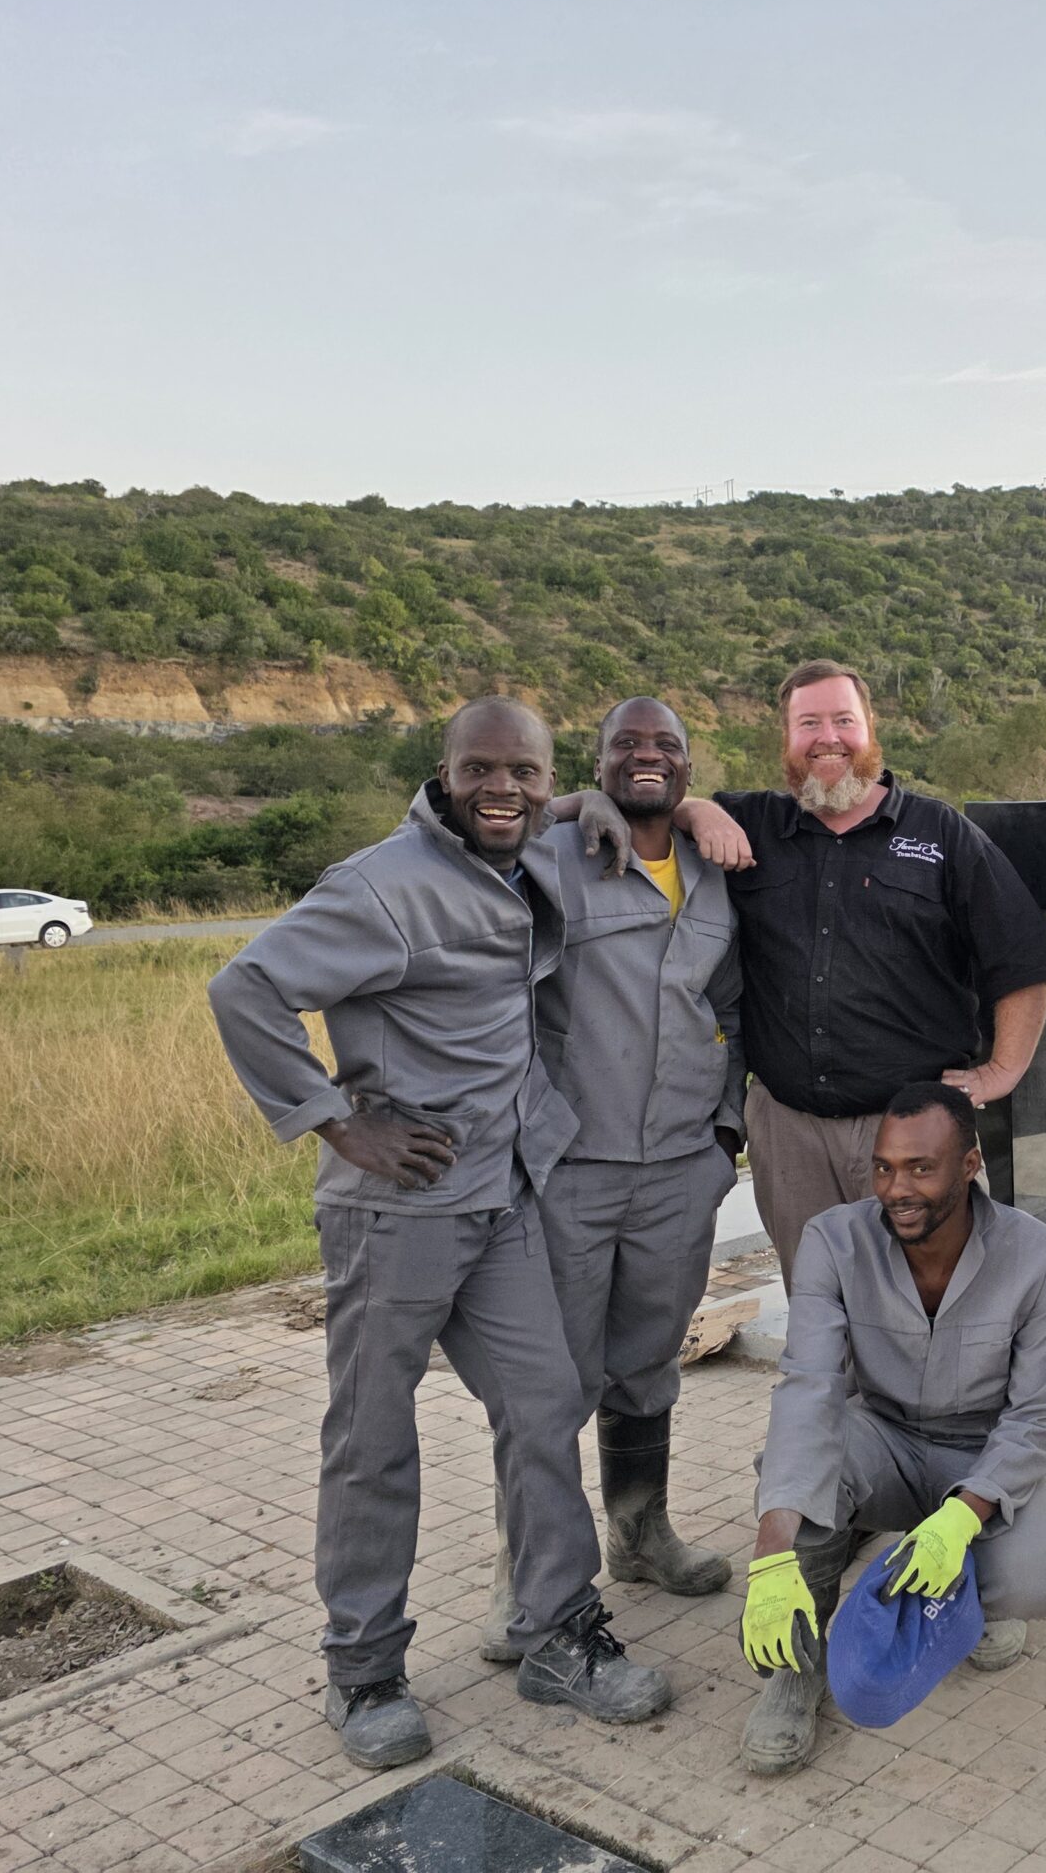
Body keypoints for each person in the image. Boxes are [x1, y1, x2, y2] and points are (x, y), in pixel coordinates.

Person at [208, 695, 673, 1771]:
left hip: (501, 1198)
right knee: (373, 1440)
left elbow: (562, 811)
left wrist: (593, 803)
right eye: (480, 771)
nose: (501, 789)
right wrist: (337, 1122)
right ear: (444, 774)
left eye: (524, 772)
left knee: (545, 1407)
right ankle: (364, 1669)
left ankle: (557, 1634)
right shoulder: (382, 886)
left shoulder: (522, 852)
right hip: (397, 1214)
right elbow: (246, 988)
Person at [565, 659, 1046, 1290]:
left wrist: (1001, 1072)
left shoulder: (942, 835)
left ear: (871, 728)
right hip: (788, 1135)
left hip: (914, 1131)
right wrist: (693, 810)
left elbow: (1020, 961)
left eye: (843, 721)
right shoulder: (749, 825)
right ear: (787, 737)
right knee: (819, 1310)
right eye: (808, 724)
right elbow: (650, 803)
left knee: (943, 1306)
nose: (828, 738)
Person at [477, 697, 744, 1664]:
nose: (646, 757)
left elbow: (733, 1005)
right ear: (595, 766)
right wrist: (559, 806)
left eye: (666, 746)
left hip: (679, 1170)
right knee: (550, 1381)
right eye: (625, 746)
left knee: (645, 1363)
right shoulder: (552, 857)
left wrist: (725, 1135)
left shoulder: (716, 872)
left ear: (688, 768)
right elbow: (461, 837)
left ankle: (639, 1533)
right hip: (572, 1172)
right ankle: (529, 1576)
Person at [737, 1082, 1046, 1776]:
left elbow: (1038, 1412)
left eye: (921, 1168)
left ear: (970, 1166)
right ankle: (800, 1669)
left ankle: (962, 1598)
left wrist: (963, 1515)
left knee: (1034, 1578)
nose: (897, 1189)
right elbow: (808, 1385)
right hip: (884, 1437)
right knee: (796, 1480)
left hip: (982, 1454)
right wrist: (769, 1554)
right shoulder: (834, 1239)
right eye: (885, 1168)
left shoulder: (1036, 1253)